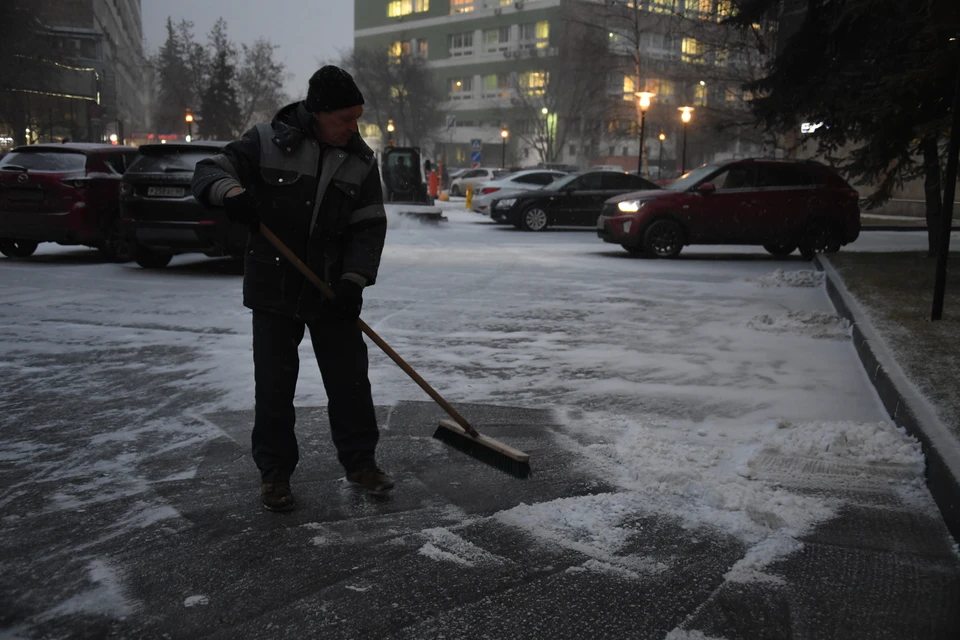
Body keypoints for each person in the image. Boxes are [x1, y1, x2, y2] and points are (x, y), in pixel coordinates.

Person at [192, 65, 392, 512]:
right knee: (275, 387)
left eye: (357, 117)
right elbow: (208, 171)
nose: (353, 127)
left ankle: (362, 464)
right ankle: (275, 477)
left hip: (329, 289)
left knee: (350, 383)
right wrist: (231, 193)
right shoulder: (266, 141)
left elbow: (369, 228)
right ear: (318, 112)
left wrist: (353, 282)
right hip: (274, 287)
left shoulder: (360, 161)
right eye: (345, 118)